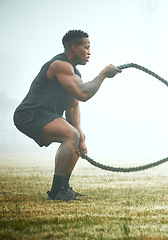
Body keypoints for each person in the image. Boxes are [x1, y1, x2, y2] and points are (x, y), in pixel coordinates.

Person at [13, 30, 122, 201]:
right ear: (74, 48)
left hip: (46, 114)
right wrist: (103, 75)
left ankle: (64, 188)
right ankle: (55, 193)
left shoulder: (74, 73)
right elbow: (83, 93)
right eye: (87, 48)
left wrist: (82, 139)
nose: (89, 52)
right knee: (71, 135)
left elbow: (73, 104)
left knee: (77, 136)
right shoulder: (59, 65)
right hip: (30, 114)